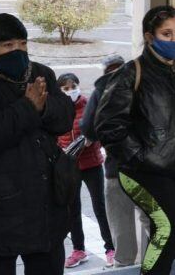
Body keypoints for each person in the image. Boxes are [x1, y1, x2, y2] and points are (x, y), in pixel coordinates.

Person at [95, 6, 175, 275]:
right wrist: (141, 157)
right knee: (172, 227)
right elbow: (108, 125)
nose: (174, 39)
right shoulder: (130, 73)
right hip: (142, 173)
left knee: (163, 232)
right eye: (166, 34)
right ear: (150, 37)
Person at [0, 13, 74, 275]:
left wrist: (44, 109)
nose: (18, 52)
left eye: (22, 44)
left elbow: (64, 119)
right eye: (8, 46)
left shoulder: (41, 74)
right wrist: (28, 107)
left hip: (44, 204)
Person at [80, 54, 150, 268]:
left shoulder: (103, 90)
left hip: (117, 168)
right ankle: (155, 263)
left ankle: (124, 265)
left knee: (121, 225)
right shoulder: (145, 87)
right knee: (151, 220)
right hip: (146, 167)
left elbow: (88, 127)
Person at [56, 73, 116, 269]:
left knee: (99, 207)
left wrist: (91, 139)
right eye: (65, 88)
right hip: (70, 166)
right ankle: (78, 250)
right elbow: (55, 136)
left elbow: (98, 128)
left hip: (91, 164)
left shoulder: (89, 105)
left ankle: (110, 248)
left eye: (73, 86)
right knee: (73, 209)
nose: (70, 90)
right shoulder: (57, 109)